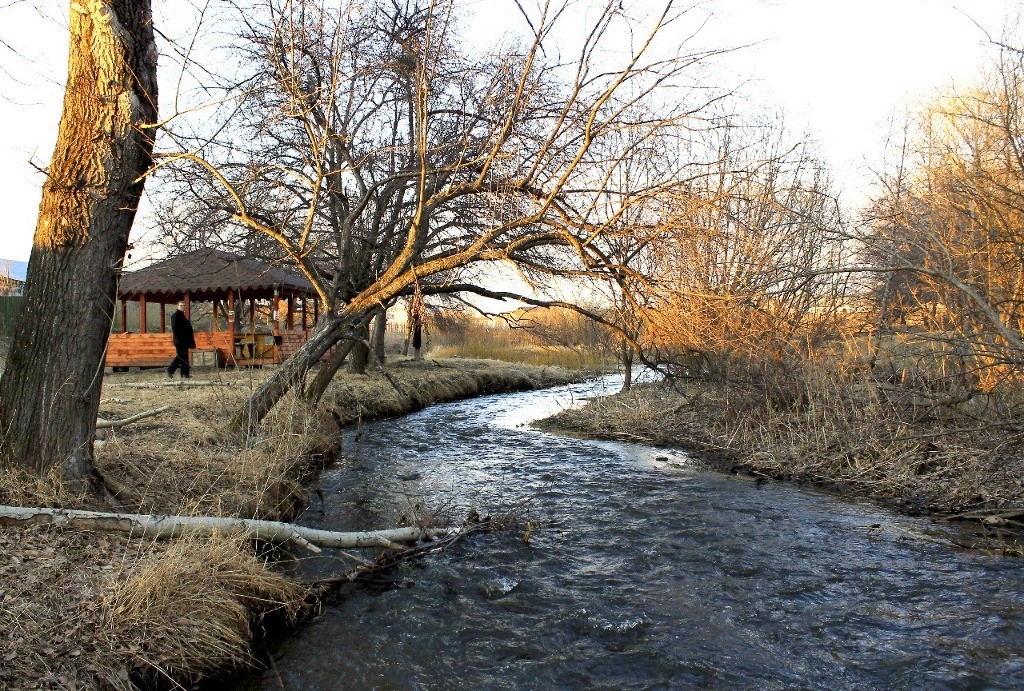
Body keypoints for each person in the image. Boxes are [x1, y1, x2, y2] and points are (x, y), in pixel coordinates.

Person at [167, 300, 196, 378]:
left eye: (183, 305)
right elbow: (175, 328)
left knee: (185, 357)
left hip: (185, 341)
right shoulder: (175, 315)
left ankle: (185, 374)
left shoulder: (182, 316)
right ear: (177, 306)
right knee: (180, 356)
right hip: (179, 341)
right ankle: (170, 370)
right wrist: (181, 337)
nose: (182, 307)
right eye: (181, 305)